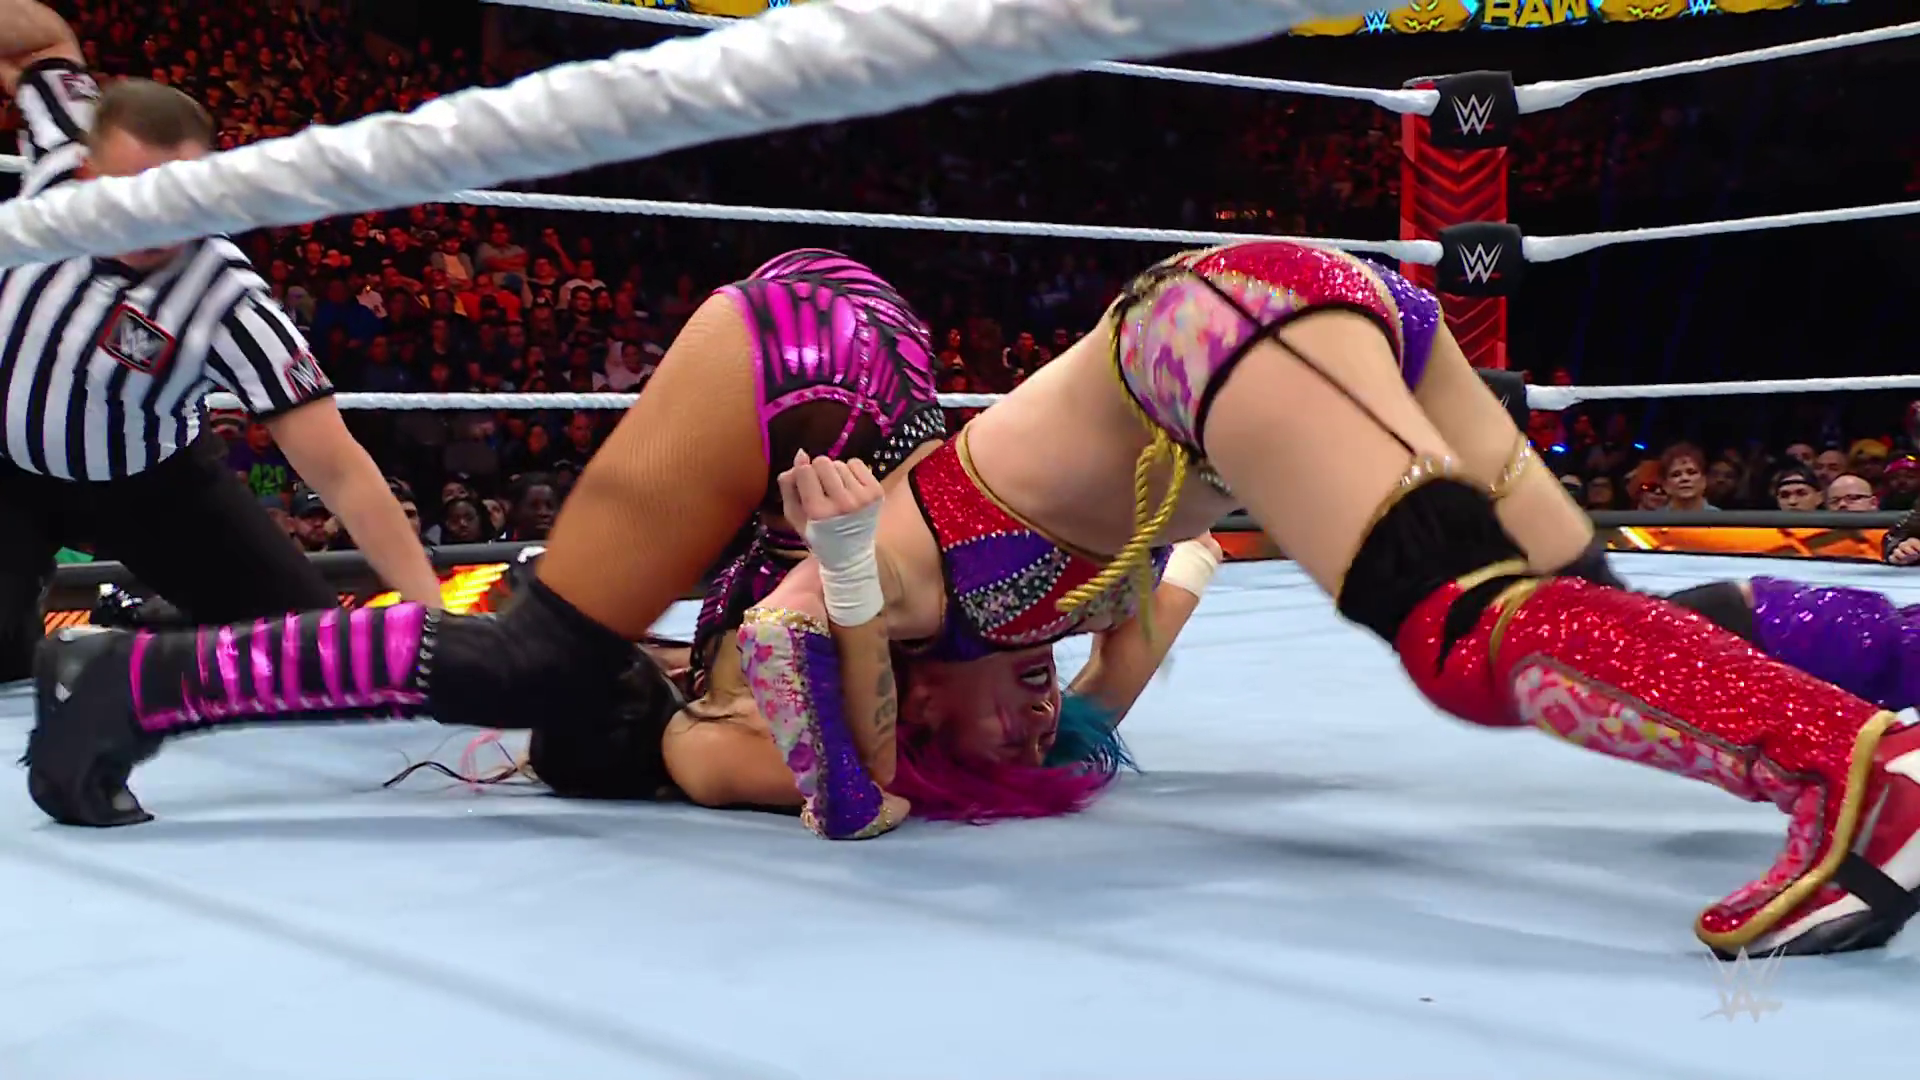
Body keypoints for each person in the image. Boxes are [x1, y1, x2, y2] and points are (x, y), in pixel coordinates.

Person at [720, 240, 1920, 957]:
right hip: (1317, 320)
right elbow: (1158, 613)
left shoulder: (893, 571)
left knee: (1463, 634)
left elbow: (825, 736)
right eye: (1039, 733)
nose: (1039, 720)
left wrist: (845, 583)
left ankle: (1857, 778)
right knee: (1606, 619)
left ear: (923, 703)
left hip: (1214, 328)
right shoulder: (1058, 661)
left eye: (1001, 733)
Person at [25, 249, 953, 821]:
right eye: (1026, 697)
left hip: (860, 352)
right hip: (828, 377)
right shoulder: (960, 611)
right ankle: (138, 681)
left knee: (543, 655)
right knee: (536, 660)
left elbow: (857, 776)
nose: (1017, 719)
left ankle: (137, 673)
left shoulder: (750, 706)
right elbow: (866, 783)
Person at [0, 0, 439, 681]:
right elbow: (42, 40)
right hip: (6, 470)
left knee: (306, 653)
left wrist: (438, 624)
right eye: (132, 194)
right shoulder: (62, 146)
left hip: (148, 485)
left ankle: (166, 632)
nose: (155, 221)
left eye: (178, 198)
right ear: (89, 169)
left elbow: (341, 471)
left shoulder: (223, 297)